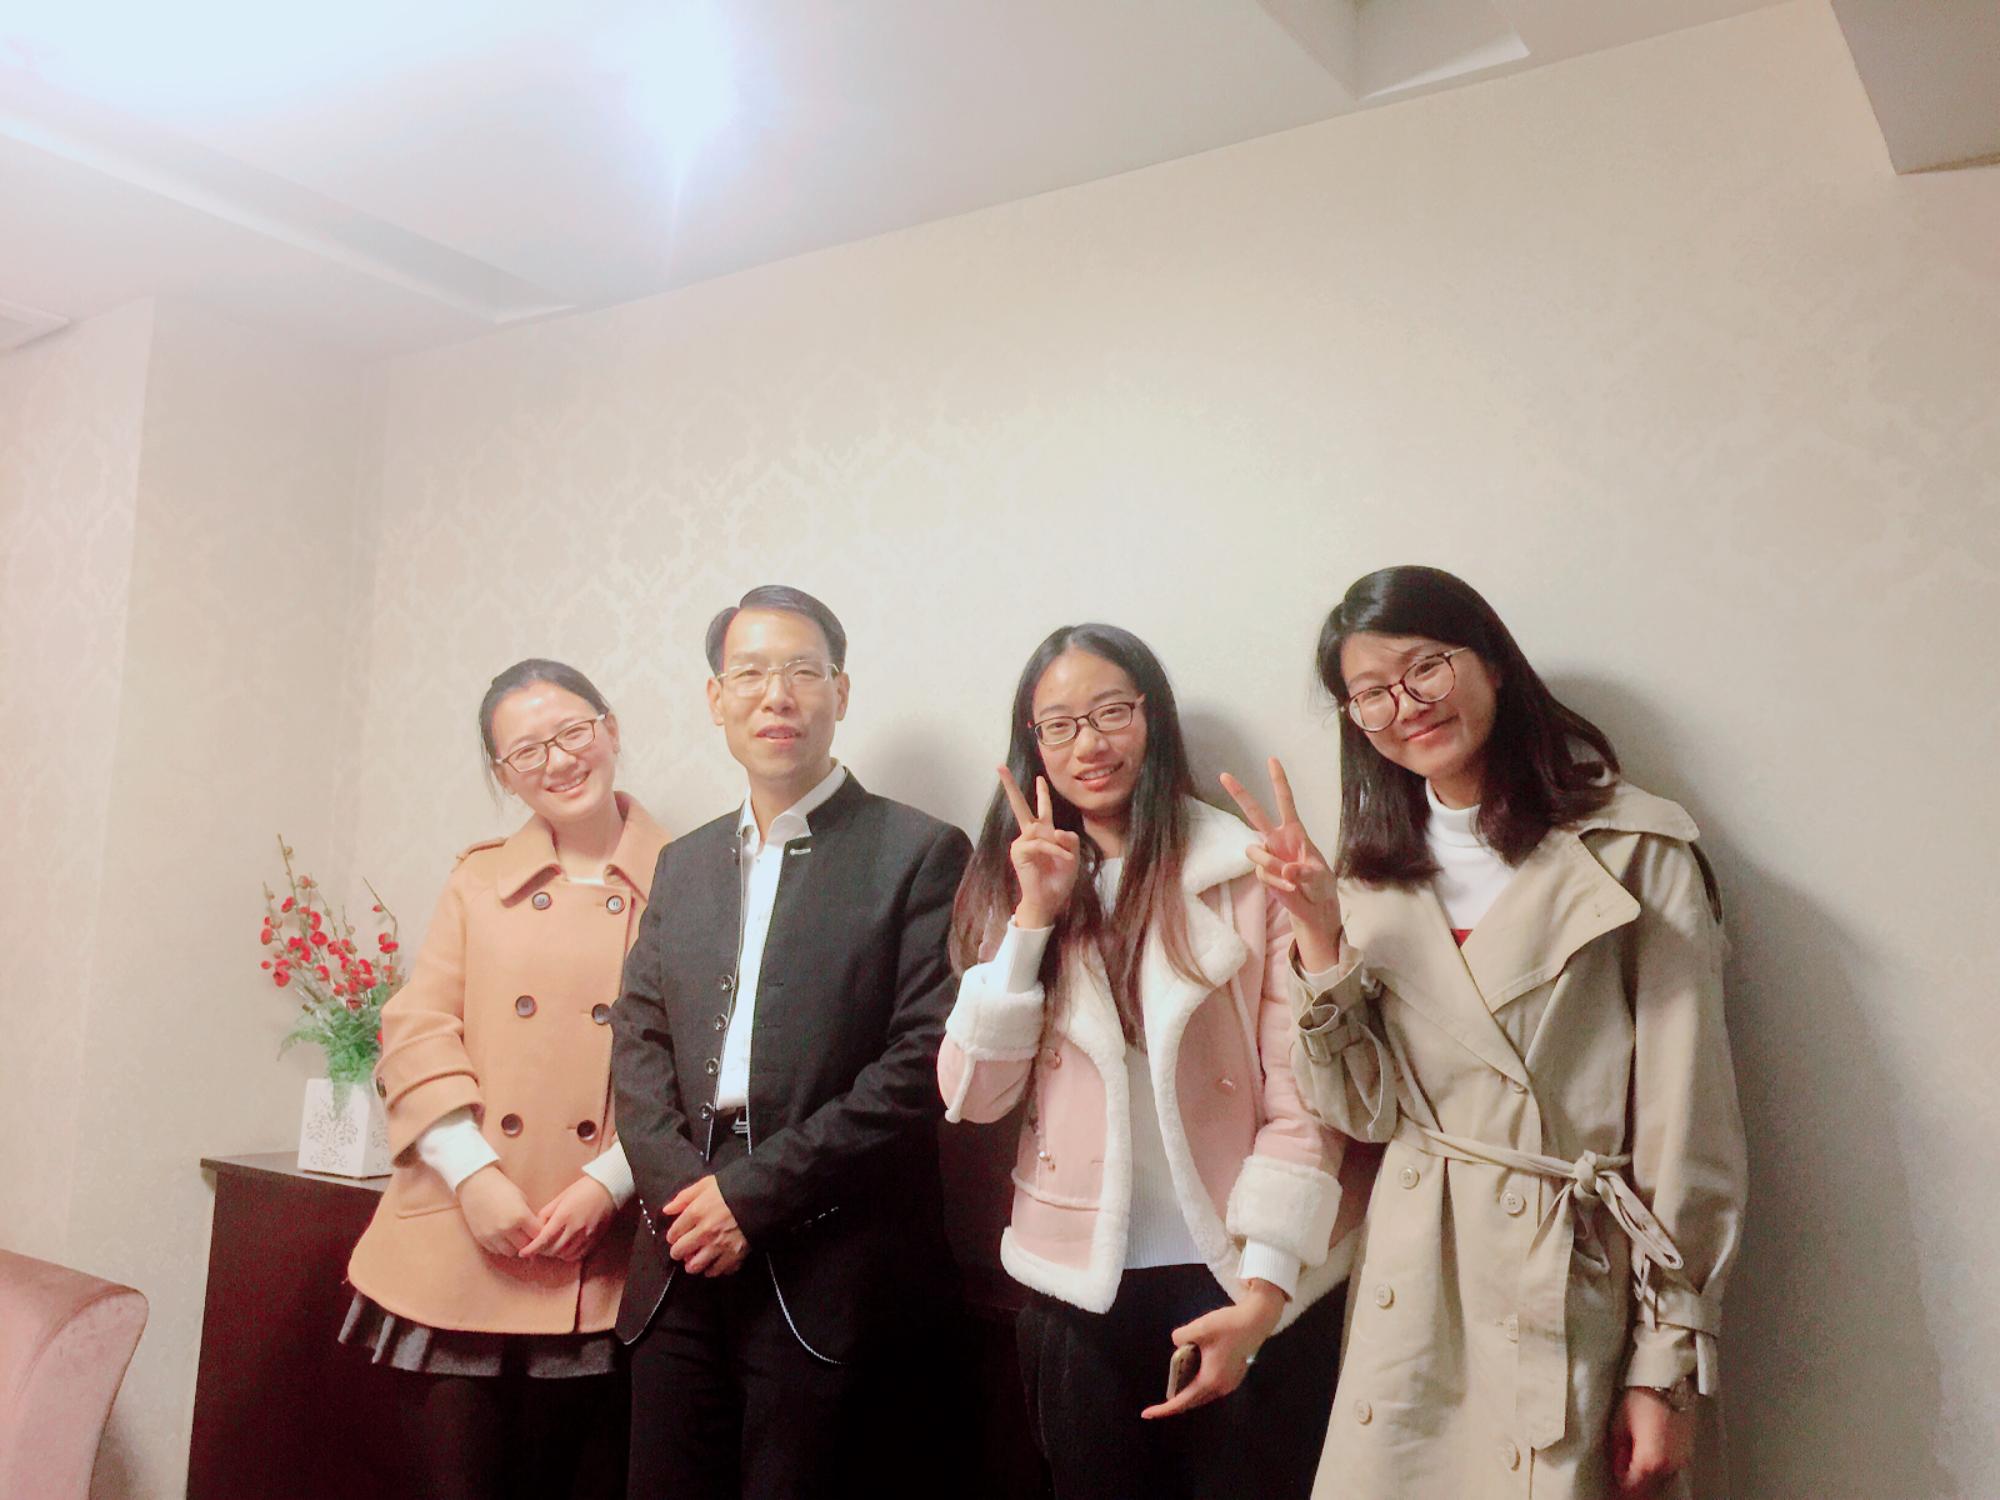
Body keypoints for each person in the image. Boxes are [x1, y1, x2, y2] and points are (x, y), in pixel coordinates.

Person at [1223, 565, 1747, 1500]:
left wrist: (1666, 1366)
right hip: (1410, 1288)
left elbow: (1688, 1129)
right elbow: (1361, 1115)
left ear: (1494, 662)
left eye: (1426, 667)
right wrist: (1319, 935)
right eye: (1372, 693)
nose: (1406, 707)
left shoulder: (1635, 852)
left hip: (1566, 1284)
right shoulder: (1369, 878)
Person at [939, 623, 1360, 1500]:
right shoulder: (1011, 885)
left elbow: (1303, 1096)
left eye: (1111, 713)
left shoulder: (1242, 870)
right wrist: (1032, 921)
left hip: (1239, 1273)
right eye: (1060, 726)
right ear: (1033, 746)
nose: (1089, 744)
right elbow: (972, 1096)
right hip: (1077, 1284)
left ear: (1152, 717)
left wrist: (1265, 1293)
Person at [610, 585, 973, 1500]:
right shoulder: (683, 861)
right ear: (716, 698)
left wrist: (750, 1196)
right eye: (751, 673)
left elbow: (922, 1060)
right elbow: (639, 1041)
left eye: (803, 672)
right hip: (678, 1247)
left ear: (840, 693)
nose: (777, 696)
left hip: (835, 1256)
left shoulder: (921, 851)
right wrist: (684, 1200)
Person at [344, 659, 668, 1500]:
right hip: (466, 1231)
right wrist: (475, 1176)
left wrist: (608, 1183)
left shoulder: (692, 877)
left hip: (602, 1249)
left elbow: (697, 1065)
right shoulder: (477, 877)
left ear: (610, 729)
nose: (558, 761)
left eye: (572, 732)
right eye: (527, 751)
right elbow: (417, 1029)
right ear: (504, 774)